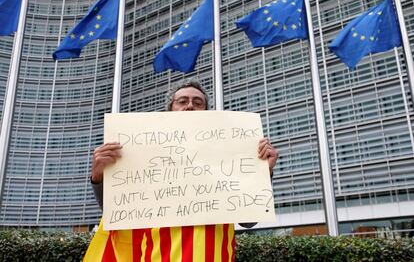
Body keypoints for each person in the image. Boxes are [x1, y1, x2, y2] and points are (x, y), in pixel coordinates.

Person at [88, 80, 278, 261]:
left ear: (207, 113)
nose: (190, 106)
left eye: (198, 102)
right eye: (182, 101)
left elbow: (248, 222)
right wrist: (98, 177)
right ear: (169, 111)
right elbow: (118, 213)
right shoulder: (143, 155)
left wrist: (263, 174)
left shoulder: (230, 156)